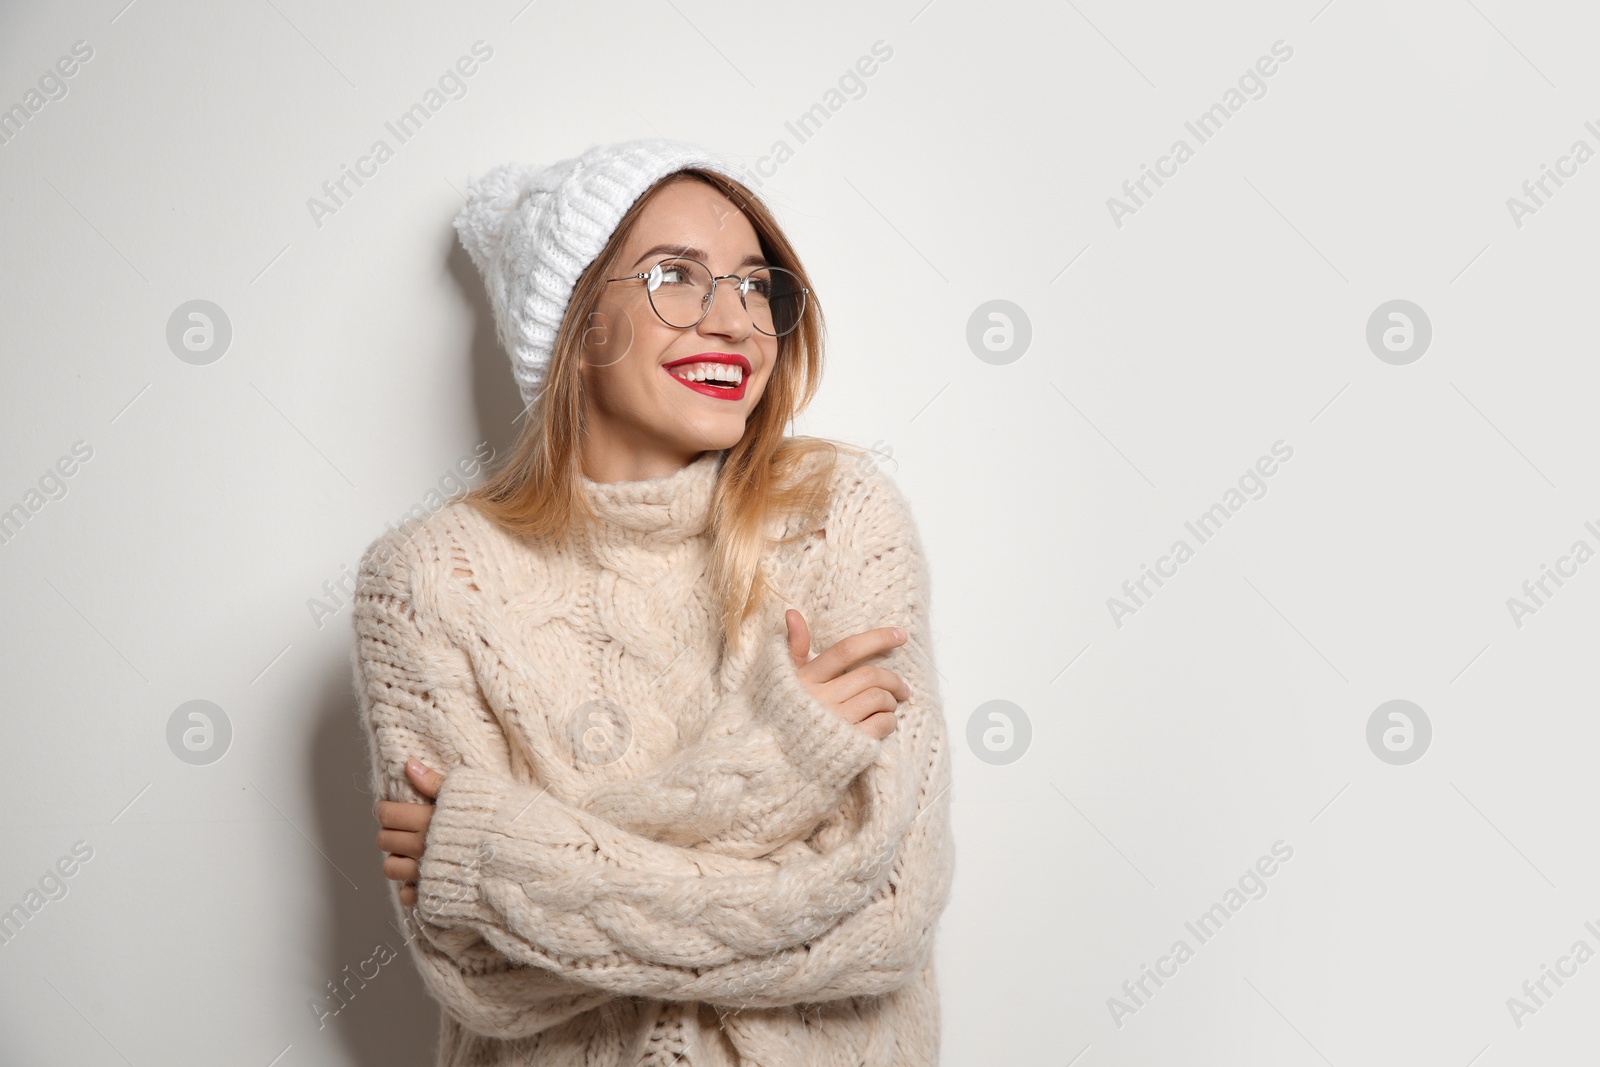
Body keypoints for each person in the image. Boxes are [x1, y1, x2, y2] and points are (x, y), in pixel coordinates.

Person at [350, 139, 955, 1066]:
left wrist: (496, 854)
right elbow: (482, 976)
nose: (738, 323)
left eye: (757, 286)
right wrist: (790, 761)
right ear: (575, 321)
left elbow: (885, 914)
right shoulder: (429, 581)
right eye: (677, 277)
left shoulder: (838, 515)